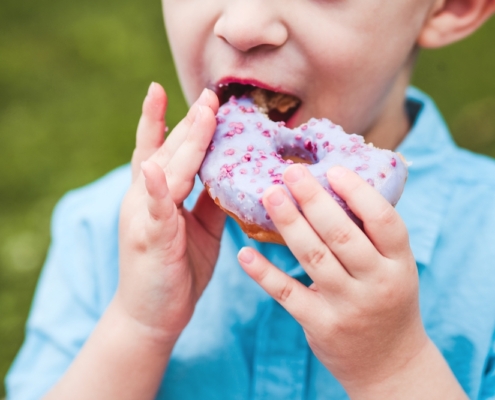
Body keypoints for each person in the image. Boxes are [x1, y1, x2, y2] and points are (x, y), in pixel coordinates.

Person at [6, 0, 495, 398]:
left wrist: (395, 368)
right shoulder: (99, 227)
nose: (242, 25)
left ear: (451, 7)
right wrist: (136, 327)